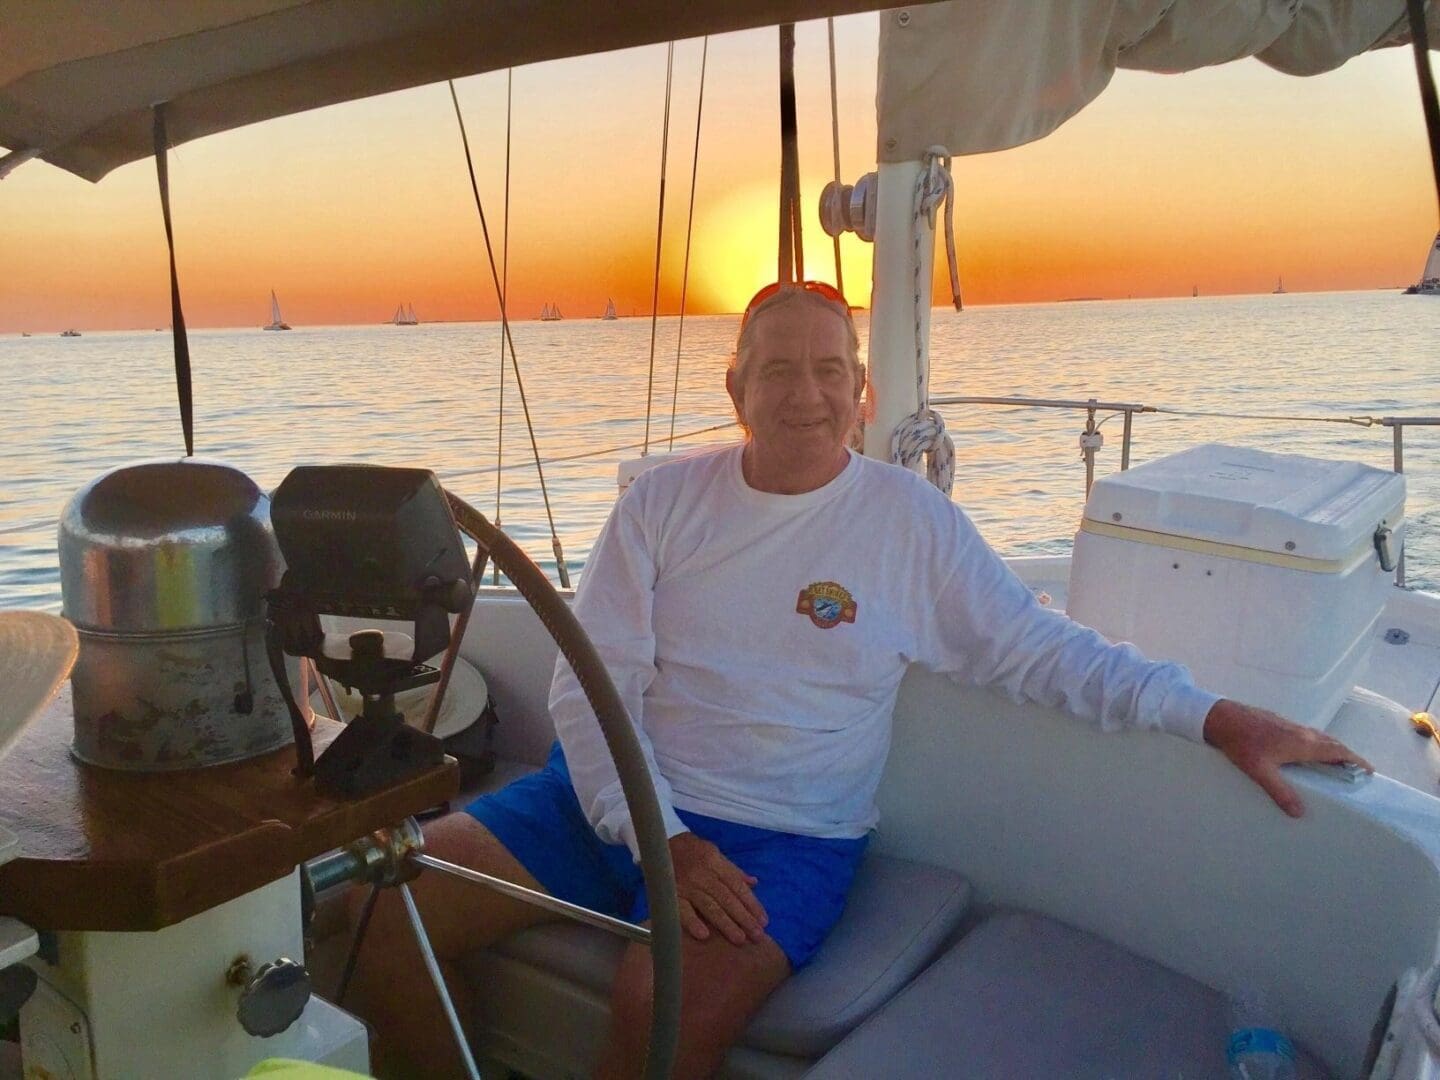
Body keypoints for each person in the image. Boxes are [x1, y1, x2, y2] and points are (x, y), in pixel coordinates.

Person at [349, 281, 1371, 1079]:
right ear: (736, 388)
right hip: (611, 793)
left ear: (863, 389)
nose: (810, 394)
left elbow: (1041, 650)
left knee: (656, 1018)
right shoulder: (662, 506)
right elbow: (590, 689)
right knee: (370, 908)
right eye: (780, 368)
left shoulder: (907, 522)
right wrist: (665, 837)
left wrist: (1215, 715)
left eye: (833, 369)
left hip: (783, 836)